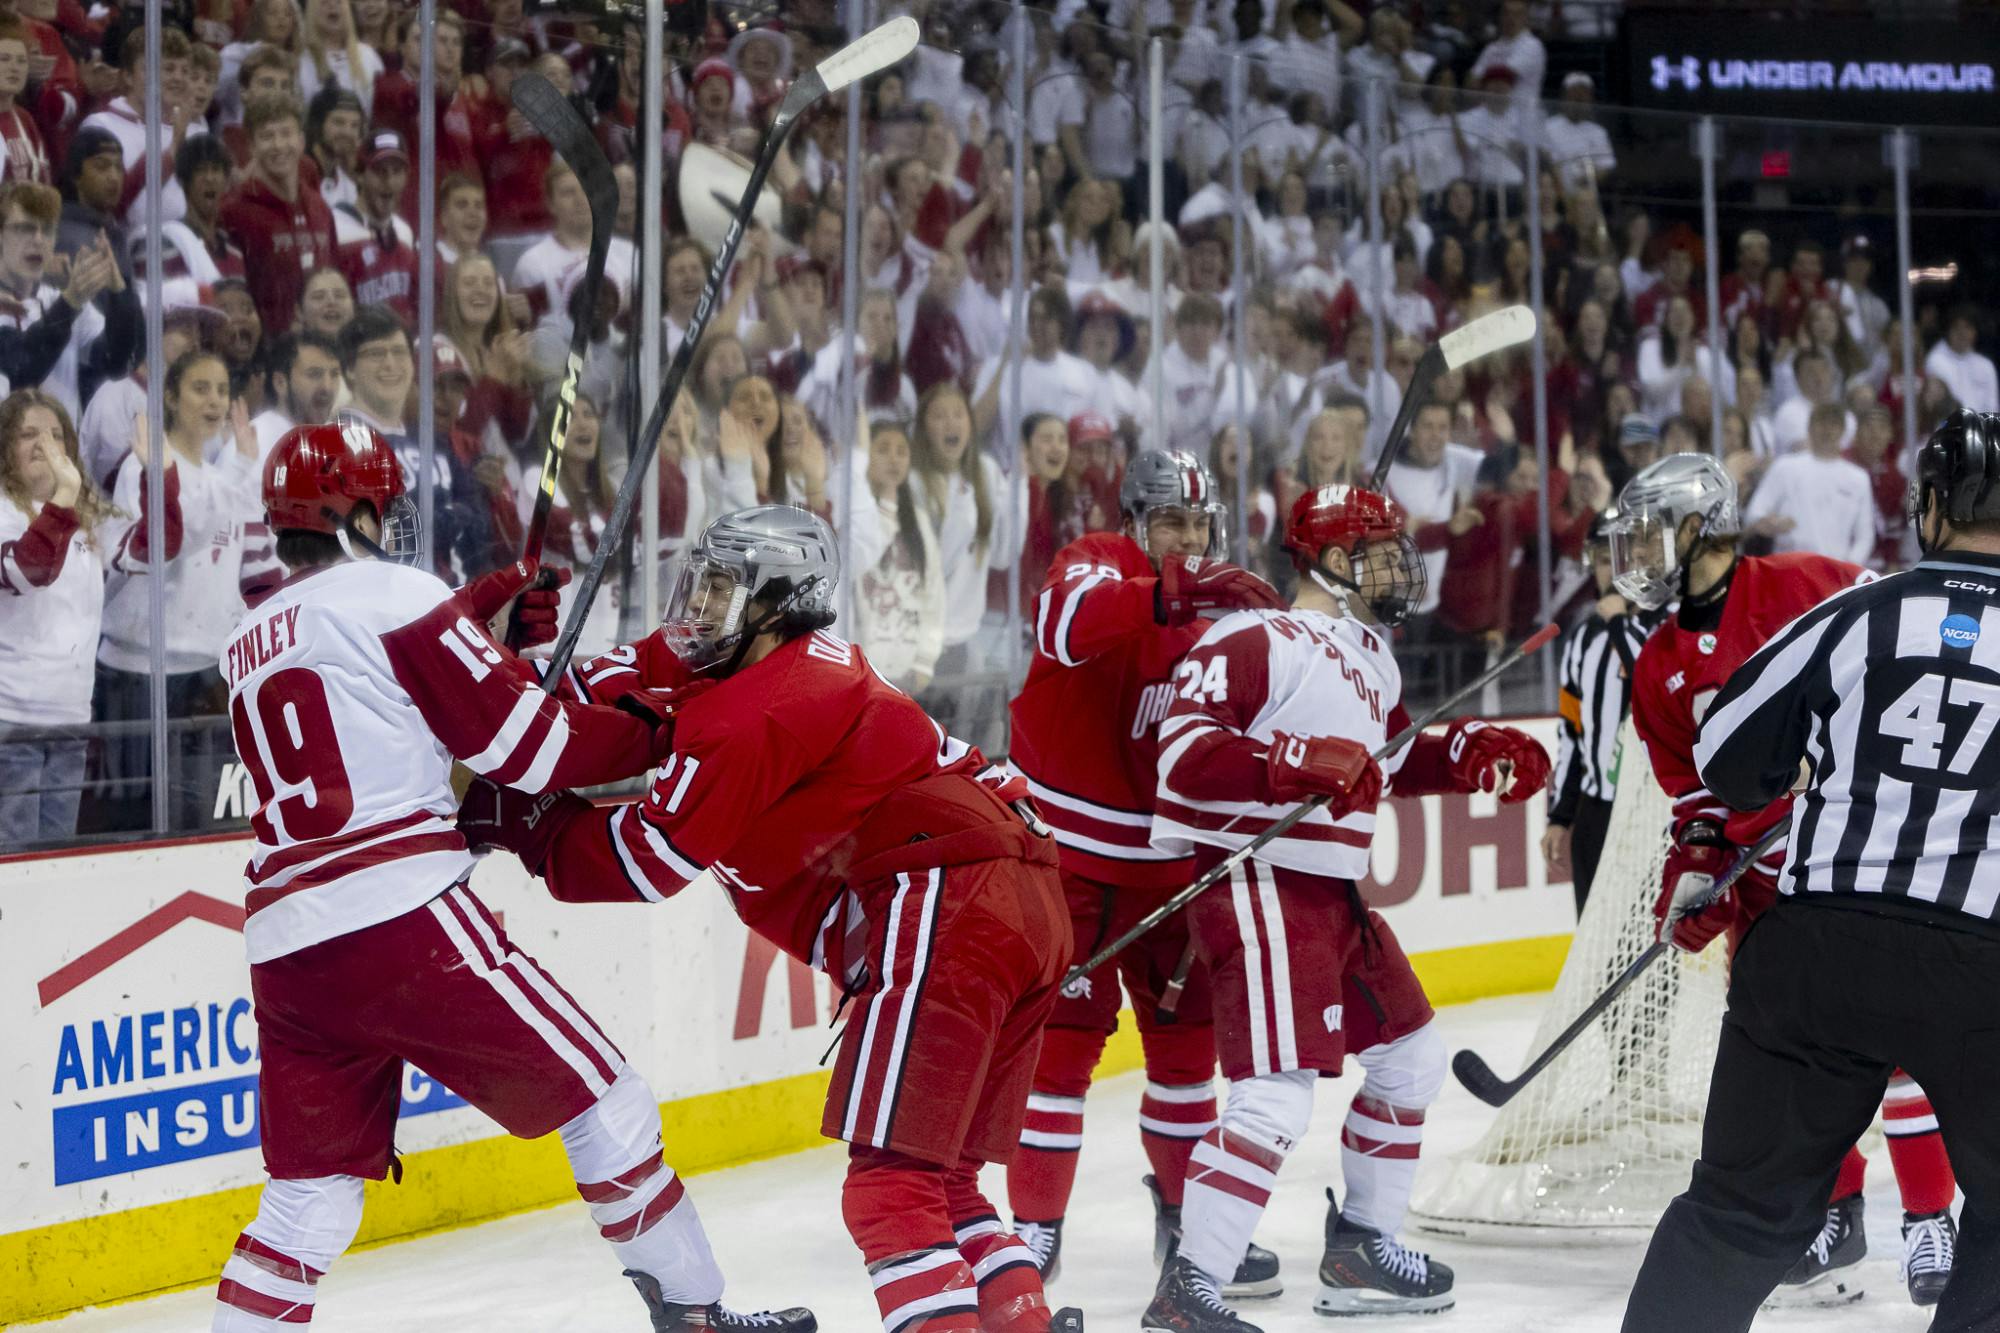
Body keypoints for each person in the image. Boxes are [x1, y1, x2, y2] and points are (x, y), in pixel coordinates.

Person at [206, 421, 811, 1333]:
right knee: (609, 1104)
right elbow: (530, 750)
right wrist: (660, 725)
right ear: (355, 511)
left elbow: (378, 710)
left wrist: (474, 624)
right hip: (400, 920)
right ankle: (697, 1312)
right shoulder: (395, 594)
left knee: (307, 1204)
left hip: (287, 948)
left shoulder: (248, 633)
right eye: (383, 507)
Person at [459, 504, 1085, 1333]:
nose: (698, 606)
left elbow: (641, 862)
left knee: (889, 1187)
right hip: (1017, 902)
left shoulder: (759, 711)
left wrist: (523, 823)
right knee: (947, 1179)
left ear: (776, 603)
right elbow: (632, 679)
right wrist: (509, 658)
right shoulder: (762, 666)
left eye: (721, 588)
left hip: (952, 907)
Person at [1620, 409, 2000, 1330]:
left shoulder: (1857, 606)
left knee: (1734, 1214)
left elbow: (1727, 753)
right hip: (1980, 964)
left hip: (1815, 949)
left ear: (1933, 506)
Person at [1143, 482, 1551, 1329]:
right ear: (1329, 560)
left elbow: (1387, 759)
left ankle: (1360, 1243)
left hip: (1330, 894)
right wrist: (1290, 760)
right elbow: (1183, 759)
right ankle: (1189, 1285)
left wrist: (1471, 752)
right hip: (1256, 878)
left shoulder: (1370, 655)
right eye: (1377, 551)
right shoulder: (1250, 636)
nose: (1399, 568)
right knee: (1275, 1095)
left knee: (1411, 1057)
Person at [1005, 450, 1288, 1300]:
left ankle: (1185, 1220)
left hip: (1174, 870)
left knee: (1185, 1055)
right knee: (1057, 1051)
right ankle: (1034, 1225)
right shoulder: (1095, 562)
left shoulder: (1219, 618)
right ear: (1133, 522)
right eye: (1171, 521)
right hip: (1073, 863)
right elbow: (1063, 620)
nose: (1189, 540)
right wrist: (1183, 590)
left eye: (1200, 525)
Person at [0, 390, 110, 845]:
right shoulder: (4, 511)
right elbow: (28, 571)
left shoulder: (84, 522)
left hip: (70, 714)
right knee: (15, 856)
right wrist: (65, 498)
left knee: (58, 852)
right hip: (12, 715)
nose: (44, 446)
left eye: (55, 435)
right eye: (28, 435)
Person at [1544, 511, 1668, 911]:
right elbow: (1571, 731)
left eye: (1625, 558)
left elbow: (1648, 679)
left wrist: (1619, 620)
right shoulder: (1582, 640)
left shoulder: (1667, 626)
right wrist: (1560, 816)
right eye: (1603, 560)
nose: (1614, 572)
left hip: (1651, 813)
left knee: (1651, 949)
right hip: (1596, 814)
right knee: (1595, 948)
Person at [220, 94, 338, 336]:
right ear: (251, 146)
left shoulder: (321, 208)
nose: (278, 145)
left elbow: (335, 277)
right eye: (267, 136)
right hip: (267, 352)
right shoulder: (234, 212)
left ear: (302, 140)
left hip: (321, 348)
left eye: (286, 134)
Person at [1741, 403, 1875, 565]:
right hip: (1791, 568)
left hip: (1836, 571)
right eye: (1821, 423)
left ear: (1842, 431)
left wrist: (1848, 568)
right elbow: (1755, 512)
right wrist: (1771, 523)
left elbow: (1865, 536)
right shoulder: (1785, 467)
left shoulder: (1858, 478)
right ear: (1810, 427)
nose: (1827, 430)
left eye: (1833, 424)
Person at [1924, 306, 1999, 414]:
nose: (1962, 333)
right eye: (1956, 327)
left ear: (1975, 332)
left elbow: (1992, 407)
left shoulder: (1986, 365)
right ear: (1948, 330)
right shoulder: (1935, 360)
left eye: (1967, 327)